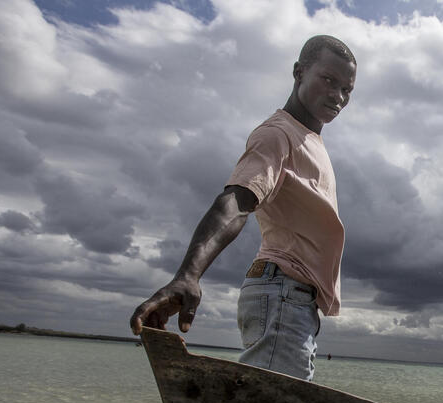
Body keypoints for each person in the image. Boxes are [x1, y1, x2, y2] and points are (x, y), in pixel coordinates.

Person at [129, 35, 357, 382]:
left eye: (347, 89)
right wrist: (189, 274)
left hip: (296, 301)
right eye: (328, 80)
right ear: (299, 72)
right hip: (282, 293)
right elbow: (236, 201)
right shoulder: (277, 135)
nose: (338, 96)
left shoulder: (308, 140)